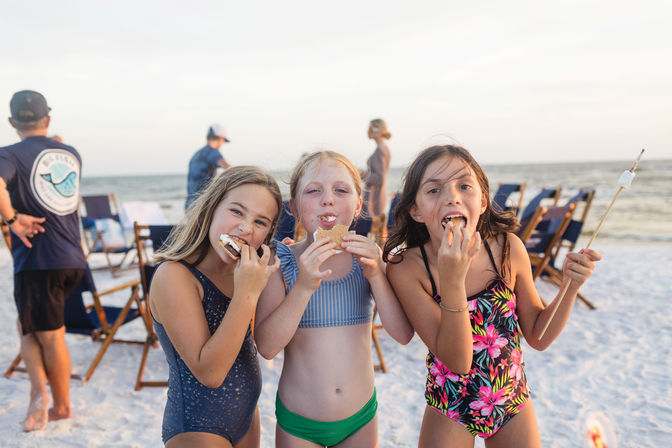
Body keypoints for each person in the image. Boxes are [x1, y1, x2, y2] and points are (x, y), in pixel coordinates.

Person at [382, 145, 602, 447]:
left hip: (511, 400)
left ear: (483, 200)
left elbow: (539, 336)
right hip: (450, 405)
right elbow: (458, 360)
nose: (452, 197)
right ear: (415, 210)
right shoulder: (407, 268)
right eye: (434, 190)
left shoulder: (507, 249)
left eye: (464, 186)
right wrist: (452, 278)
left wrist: (570, 286)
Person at [254, 150, 414, 447]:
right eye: (314, 191)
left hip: (361, 419)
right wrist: (302, 286)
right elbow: (266, 347)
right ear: (295, 208)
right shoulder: (282, 262)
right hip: (298, 424)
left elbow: (403, 334)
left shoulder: (367, 262)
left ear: (357, 206)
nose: (328, 199)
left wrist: (377, 274)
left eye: (341, 190)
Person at [150, 165, 282, 447]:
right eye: (236, 211)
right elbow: (209, 373)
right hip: (197, 427)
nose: (245, 227)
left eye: (261, 222)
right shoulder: (174, 276)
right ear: (211, 208)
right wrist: (247, 293)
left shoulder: (245, 273)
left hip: (246, 417)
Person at [0, 90, 86, 431]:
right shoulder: (71, 153)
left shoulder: (9, 154)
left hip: (39, 260)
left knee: (48, 335)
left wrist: (10, 219)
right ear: (47, 120)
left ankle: (57, 404)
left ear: (11, 122)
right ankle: (40, 396)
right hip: (72, 258)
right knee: (29, 327)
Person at [185, 123, 232, 210]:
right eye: (223, 141)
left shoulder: (196, 155)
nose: (222, 144)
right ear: (220, 138)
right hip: (201, 205)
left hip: (189, 205)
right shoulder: (212, 152)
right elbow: (229, 169)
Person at [362, 119, 392, 218]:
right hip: (376, 197)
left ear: (382, 130)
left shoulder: (381, 150)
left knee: (372, 232)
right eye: (368, 128)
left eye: (372, 128)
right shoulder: (382, 148)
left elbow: (379, 178)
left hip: (374, 199)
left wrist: (363, 174)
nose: (369, 130)